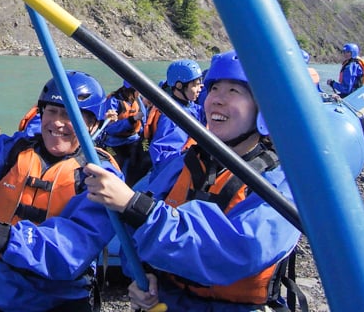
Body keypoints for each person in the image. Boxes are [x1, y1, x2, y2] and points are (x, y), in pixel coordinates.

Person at [83, 51, 303, 311]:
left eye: (234, 91)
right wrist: (146, 274)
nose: (217, 100)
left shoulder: (282, 183)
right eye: (214, 89)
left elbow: (236, 252)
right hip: (170, 302)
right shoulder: (183, 164)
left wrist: (136, 207)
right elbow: (133, 238)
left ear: (262, 108)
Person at [0, 69, 120, 312]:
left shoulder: (100, 177)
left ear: (92, 125)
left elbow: (71, 250)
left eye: (71, 114)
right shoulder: (13, 149)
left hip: (57, 299)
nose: (58, 122)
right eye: (52, 111)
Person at [150, 59, 204, 168]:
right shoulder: (171, 117)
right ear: (179, 86)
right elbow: (160, 157)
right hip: (174, 174)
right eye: (195, 85)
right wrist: (191, 154)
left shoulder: (191, 106)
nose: (199, 89)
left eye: (200, 85)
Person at [96, 80, 148, 185]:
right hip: (113, 143)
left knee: (142, 158)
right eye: (137, 90)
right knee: (115, 163)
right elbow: (109, 128)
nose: (139, 93)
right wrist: (131, 120)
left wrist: (144, 137)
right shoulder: (114, 101)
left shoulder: (137, 101)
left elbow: (143, 120)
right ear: (130, 91)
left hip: (133, 139)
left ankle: (133, 185)